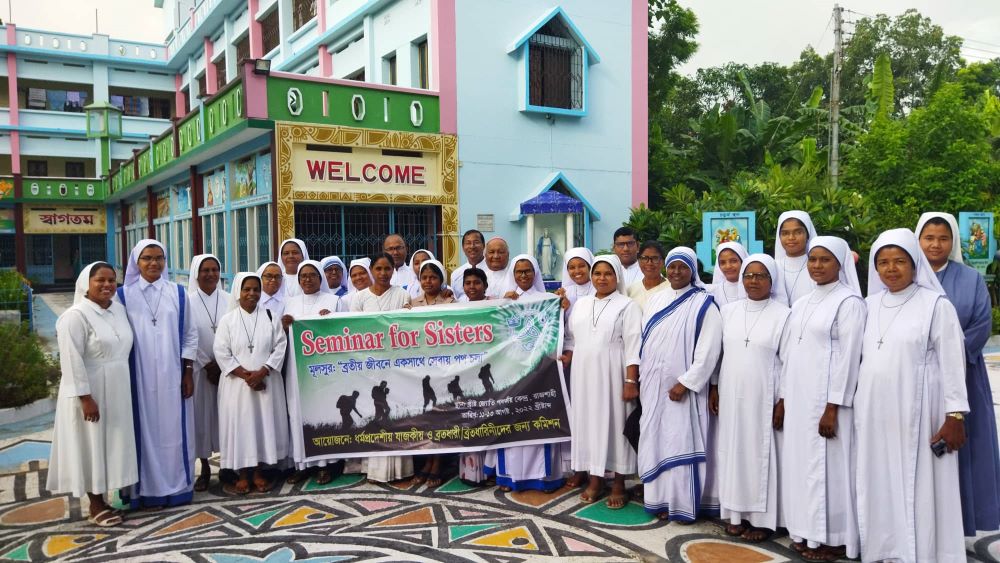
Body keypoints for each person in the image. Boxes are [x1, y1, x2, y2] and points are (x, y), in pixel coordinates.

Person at [855, 228, 968, 562]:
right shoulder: (869, 304)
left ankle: (927, 552)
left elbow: (953, 362)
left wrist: (955, 415)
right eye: (884, 262)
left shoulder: (935, 305)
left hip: (920, 409)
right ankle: (887, 548)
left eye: (899, 261)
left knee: (922, 483)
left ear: (914, 264)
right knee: (880, 479)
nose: (891, 269)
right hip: (875, 412)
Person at [779, 236, 863, 562]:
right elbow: (789, 356)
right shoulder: (801, 303)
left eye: (824, 260)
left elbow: (850, 358)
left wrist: (833, 406)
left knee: (830, 471)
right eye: (812, 259)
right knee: (804, 468)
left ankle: (834, 538)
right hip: (800, 401)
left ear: (840, 263)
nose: (816, 265)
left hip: (829, 404)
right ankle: (806, 532)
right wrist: (785, 398)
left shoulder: (849, 302)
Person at [916, 212, 1000, 536]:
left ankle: (964, 519)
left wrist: (947, 358)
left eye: (943, 238)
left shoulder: (970, 278)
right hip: (916, 379)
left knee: (962, 446)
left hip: (964, 377)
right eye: (929, 238)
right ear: (918, 240)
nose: (936, 244)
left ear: (952, 242)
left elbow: (982, 324)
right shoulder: (909, 277)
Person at [47, 262, 137, 526]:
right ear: (86, 283)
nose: (107, 285)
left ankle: (105, 499)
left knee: (109, 444)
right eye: (101, 280)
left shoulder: (119, 310)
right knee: (90, 444)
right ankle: (95, 505)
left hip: (118, 388)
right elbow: (71, 360)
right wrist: (85, 398)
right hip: (90, 390)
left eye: (112, 280)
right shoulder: (75, 316)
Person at [637, 246, 722, 522]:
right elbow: (644, 342)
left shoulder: (704, 303)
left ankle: (682, 505)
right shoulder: (655, 300)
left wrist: (685, 383)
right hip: (652, 388)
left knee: (680, 440)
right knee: (655, 438)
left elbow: (709, 350)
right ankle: (658, 499)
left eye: (682, 267)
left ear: (692, 270)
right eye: (672, 266)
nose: (675, 272)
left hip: (682, 391)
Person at [117, 239, 199, 509]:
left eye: (159, 258)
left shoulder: (178, 293)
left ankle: (177, 487)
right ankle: (143, 490)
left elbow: (190, 335)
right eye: (147, 258)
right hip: (137, 377)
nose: (154, 263)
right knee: (143, 432)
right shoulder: (123, 296)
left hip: (173, 375)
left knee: (175, 431)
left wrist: (188, 372)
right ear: (136, 263)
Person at [714, 254, 788, 543]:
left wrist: (782, 399)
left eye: (760, 276)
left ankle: (762, 519)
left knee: (760, 453)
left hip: (764, 394)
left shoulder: (783, 314)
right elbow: (720, 355)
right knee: (732, 452)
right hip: (731, 393)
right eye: (748, 275)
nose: (753, 281)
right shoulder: (729, 311)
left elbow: (787, 361)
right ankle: (735, 514)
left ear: (772, 280)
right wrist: (714, 387)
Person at [561, 255, 640, 509]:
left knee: (615, 424)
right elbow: (574, 338)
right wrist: (568, 355)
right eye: (597, 273)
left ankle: (618, 482)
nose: (601, 278)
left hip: (614, 373)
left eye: (608, 274)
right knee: (589, 424)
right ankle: (595, 479)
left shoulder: (627, 305)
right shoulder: (581, 305)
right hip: (584, 374)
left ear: (617, 277)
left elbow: (633, 345)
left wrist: (631, 380)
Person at [485, 254, 565, 492]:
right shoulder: (505, 301)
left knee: (538, 419)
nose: (523, 276)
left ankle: (543, 477)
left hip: (542, 371)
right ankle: (510, 476)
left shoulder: (548, 300)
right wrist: (502, 302)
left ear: (536, 273)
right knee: (512, 418)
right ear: (513, 275)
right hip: (511, 372)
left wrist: (561, 305)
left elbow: (559, 331)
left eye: (528, 271)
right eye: (519, 272)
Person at [213, 273, 290, 495]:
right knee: (242, 426)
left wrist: (263, 372)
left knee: (261, 426)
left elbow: (280, 346)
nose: (252, 293)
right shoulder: (228, 320)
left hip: (266, 381)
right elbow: (221, 352)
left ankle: (258, 472)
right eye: (247, 289)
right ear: (238, 291)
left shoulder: (270, 316)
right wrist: (248, 376)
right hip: (237, 386)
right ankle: (243, 474)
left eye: (256, 289)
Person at [351, 253, 413, 484]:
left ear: (393, 271)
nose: (383, 273)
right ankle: (370, 467)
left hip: (395, 365)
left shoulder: (402, 294)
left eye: (387, 269)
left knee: (393, 412)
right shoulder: (359, 298)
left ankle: (399, 468)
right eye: (378, 269)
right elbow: (351, 331)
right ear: (372, 271)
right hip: (368, 366)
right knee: (370, 412)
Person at [283, 260, 346, 485]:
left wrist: (331, 320)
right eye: (303, 276)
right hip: (296, 370)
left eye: (312, 275)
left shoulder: (335, 301)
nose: (307, 279)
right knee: (298, 414)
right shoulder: (288, 303)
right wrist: (284, 326)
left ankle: (325, 465)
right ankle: (301, 464)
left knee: (323, 414)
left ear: (320, 278)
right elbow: (280, 337)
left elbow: (345, 333)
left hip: (324, 371)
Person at [188, 254, 232, 492]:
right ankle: (204, 467)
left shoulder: (228, 299)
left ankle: (228, 465)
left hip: (227, 369)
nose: (211, 274)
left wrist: (222, 363)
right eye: (205, 270)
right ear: (196, 273)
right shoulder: (187, 301)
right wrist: (207, 363)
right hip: (200, 370)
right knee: (202, 418)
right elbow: (187, 337)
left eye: (215, 269)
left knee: (226, 417)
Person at [458, 268, 493, 485]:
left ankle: (489, 471)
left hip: (488, 369)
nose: (472, 287)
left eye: (477, 283)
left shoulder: (495, 305)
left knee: (488, 418)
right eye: (468, 283)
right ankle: (469, 473)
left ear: (485, 285)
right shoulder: (457, 309)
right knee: (467, 419)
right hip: (466, 373)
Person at [773, 211, 818, 306]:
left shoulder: (818, 268)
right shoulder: (773, 267)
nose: (791, 238)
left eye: (798, 232)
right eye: (785, 233)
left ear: (807, 235)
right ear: (779, 236)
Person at [627, 240, 668, 312]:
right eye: (645, 258)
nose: (649, 263)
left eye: (655, 258)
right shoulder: (631, 290)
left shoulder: (671, 288)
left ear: (663, 262)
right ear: (639, 261)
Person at [554, 248, 594, 316]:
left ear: (590, 267)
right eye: (572, 268)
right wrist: (560, 308)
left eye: (581, 266)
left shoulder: (599, 290)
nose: (577, 271)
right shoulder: (564, 293)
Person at [450, 229, 486, 300]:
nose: (472, 246)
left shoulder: (492, 271)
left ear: (483, 245)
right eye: (468, 243)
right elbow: (455, 299)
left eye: (476, 242)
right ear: (463, 247)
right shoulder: (456, 274)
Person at [710, 241, 749, 306]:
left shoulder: (754, 288)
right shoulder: (712, 292)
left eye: (733, 261)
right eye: (722, 262)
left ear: (742, 261)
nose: (728, 266)